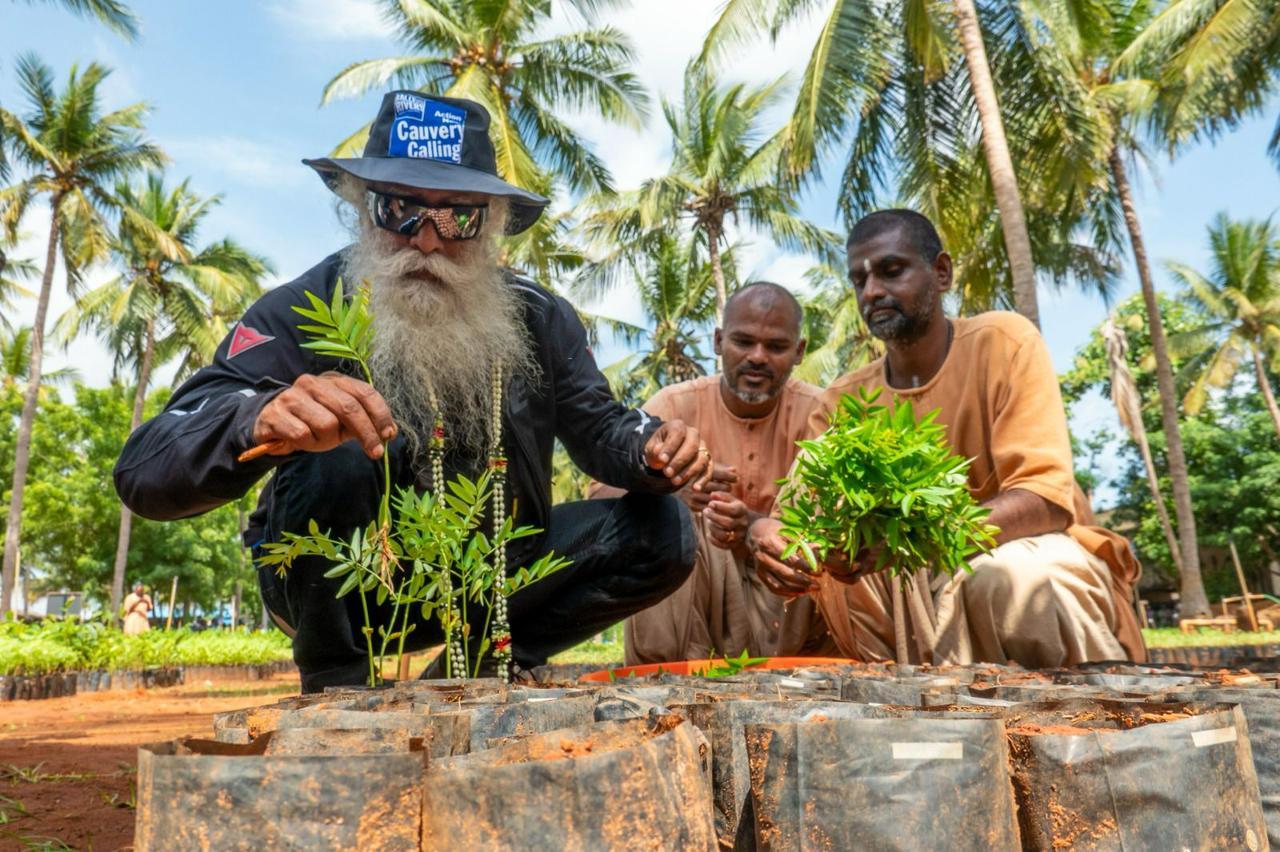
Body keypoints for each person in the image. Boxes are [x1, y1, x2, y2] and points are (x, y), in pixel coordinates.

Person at [114, 91, 712, 691]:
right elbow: (146, 467)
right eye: (399, 208)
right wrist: (257, 417)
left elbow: (602, 428)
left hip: (489, 580)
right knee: (342, 446)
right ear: (361, 209)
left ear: (493, 225)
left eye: (458, 217)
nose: (426, 239)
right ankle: (336, 689)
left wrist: (653, 450)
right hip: (344, 587)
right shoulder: (300, 306)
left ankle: (474, 673)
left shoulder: (539, 317)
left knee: (663, 530)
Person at [749, 209, 1145, 667]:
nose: (872, 291)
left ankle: (1077, 723)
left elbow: (1046, 499)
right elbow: (795, 521)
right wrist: (770, 537)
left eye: (891, 271)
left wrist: (915, 538)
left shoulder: (1005, 343)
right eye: (859, 281)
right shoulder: (841, 400)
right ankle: (908, 708)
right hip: (901, 590)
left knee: (1004, 580)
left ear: (941, 273)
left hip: (1020, 553)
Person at [595, 282, 827, 664]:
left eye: (776, 347)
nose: (757, 357)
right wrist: (669, 493)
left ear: (799, 352)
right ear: (719, 341)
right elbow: (600, 498)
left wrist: (754, 526)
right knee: (666, 515)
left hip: (790, 608)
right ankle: (666, 674)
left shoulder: (822, 412)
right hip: (693, 613)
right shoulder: (671, 405)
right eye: (743, 341)